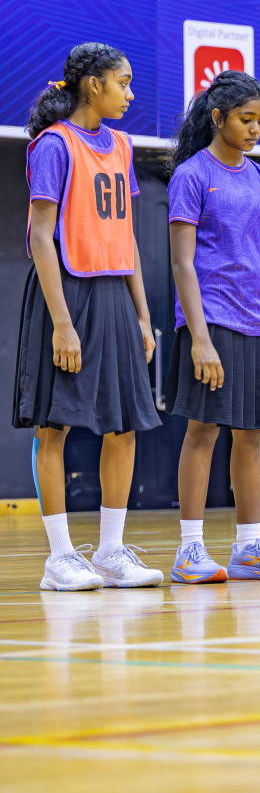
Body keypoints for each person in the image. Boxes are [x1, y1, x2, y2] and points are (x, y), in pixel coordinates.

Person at [17, 43, 162, 591]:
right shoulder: (54, 146)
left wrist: (144, 316)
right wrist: (61, 322)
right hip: (66, 296)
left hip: (115, 298)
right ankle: (59, 558)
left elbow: (124, 234)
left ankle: (109, 552)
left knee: (123, 427)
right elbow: (39, 236)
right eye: (122, 82)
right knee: (53, 426)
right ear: (92, 85)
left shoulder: (121, 146)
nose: (130, 93)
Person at [164, 72, 260, 585]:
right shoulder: (192, 176)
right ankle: (189, 550)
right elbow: (182, 264)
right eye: (246, 120)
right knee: (203, 431)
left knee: (253, 435)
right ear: (217, 117)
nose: (255, 129)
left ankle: (248, 547)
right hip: (213, 319)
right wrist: (198, 337)